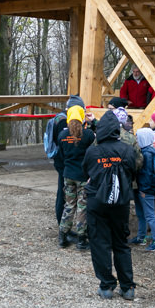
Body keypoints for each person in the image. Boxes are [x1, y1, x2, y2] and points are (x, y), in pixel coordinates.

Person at [82, 111, 138, 300]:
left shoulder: (93, 151)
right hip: (120, 201)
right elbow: (133, 169)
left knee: (99, 242)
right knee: (121, 242)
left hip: (97, 200)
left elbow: (86, 171)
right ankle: (127, 286)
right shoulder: (127, 150)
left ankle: (106, 285)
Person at [57, 105, 95, 250]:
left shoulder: (62, 136)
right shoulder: (88, 135)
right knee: (82, 206)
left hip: (68, 175)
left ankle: (62, 235)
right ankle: (81, 239)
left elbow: (60, 155)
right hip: (83, 176)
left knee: (69, 204)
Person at [136, 127, 155, 250]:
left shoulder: (146, 154)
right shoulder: (150, 151)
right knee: (142, 214)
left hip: (146, 189)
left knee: (150, 215)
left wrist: (144, 190)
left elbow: (148, 175)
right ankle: (141, 236)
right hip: (145, 188)